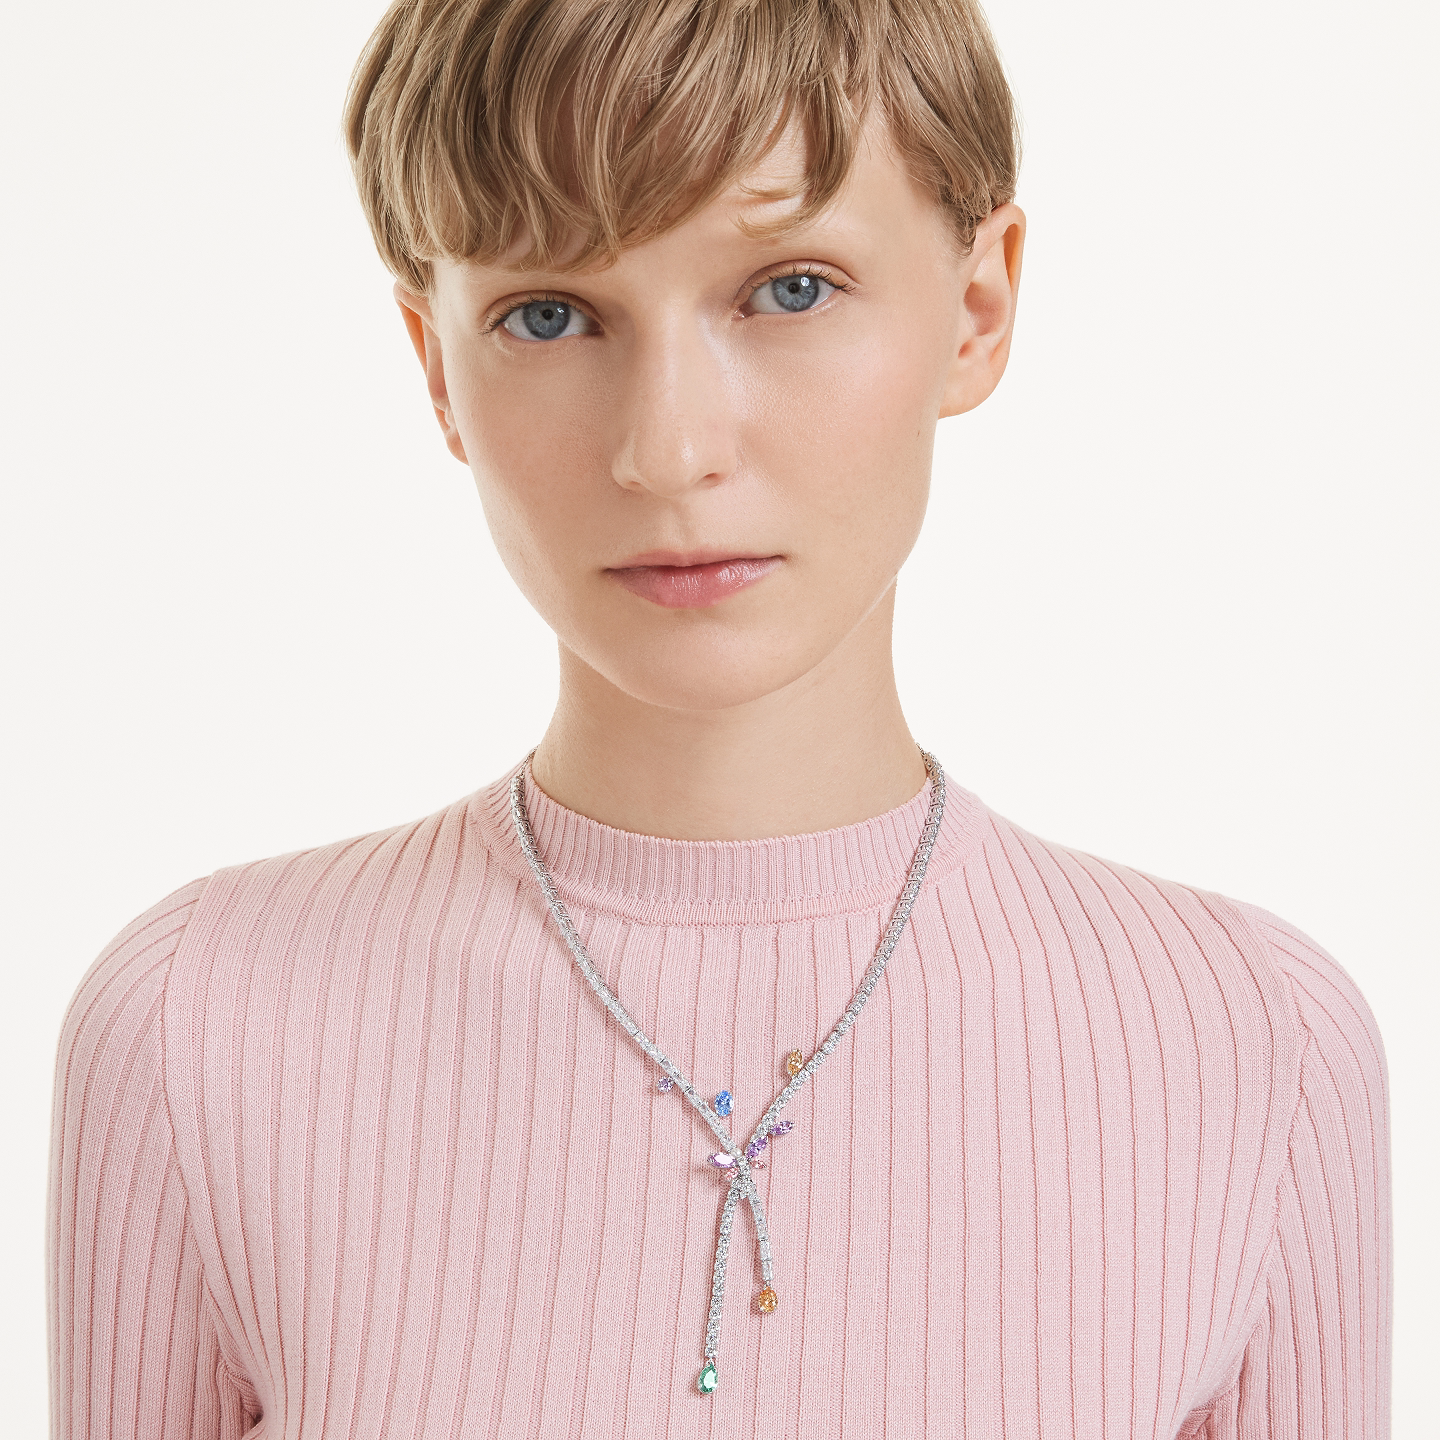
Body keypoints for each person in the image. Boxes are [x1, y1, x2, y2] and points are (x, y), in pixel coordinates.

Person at [46, 0, 1389, 1435]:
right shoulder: (196, 1032)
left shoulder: (1255, 1047)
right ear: (437, 367)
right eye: (549, 315)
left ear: (978, 308)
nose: (670, 448)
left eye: (790, 289)